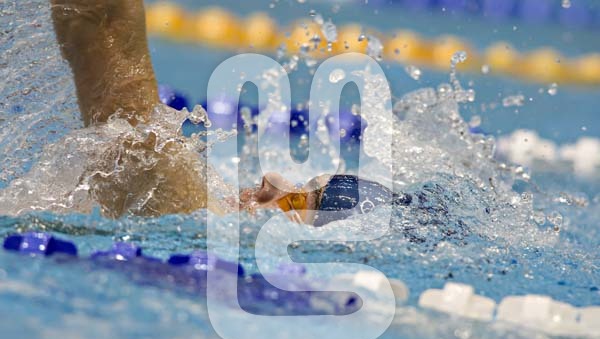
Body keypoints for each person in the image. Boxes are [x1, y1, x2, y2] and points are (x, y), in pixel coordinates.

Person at [49, 0, 399, 224]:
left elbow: (101, 21)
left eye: (298, 199)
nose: (271, 179)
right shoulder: (206, 221)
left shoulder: (191, 214)